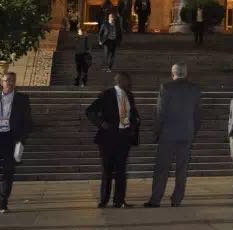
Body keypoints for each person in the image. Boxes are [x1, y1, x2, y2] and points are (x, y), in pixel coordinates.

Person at [145, 63, 201, 207]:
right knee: (182, 169)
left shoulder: (166, 87)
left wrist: (157, 131)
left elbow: (160, 113)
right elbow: (197, 114)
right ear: (186, 74)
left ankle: (156, 199)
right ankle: (177, 199)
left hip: (168, 134)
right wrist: (193, 132)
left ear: (172, 74)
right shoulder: (194, 89)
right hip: (186, 133)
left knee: (162, 168)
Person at [86, 70, 140, 208]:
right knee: (107, 170)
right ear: (119, 81)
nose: (127, 83)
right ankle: (104, 200)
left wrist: (134, 124)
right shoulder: (107, 94)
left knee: (121, 170)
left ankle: (119, 200)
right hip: (108, 138)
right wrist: (102, 123)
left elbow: (132, 114)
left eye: (127, 81)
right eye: (124, 80)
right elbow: (90, 111)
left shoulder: (129, 95)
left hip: (124, 138)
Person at [0, 71, 31, 213]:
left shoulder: (22, 99)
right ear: (1, 82)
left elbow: (28, 121)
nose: (9, 83)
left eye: (12, 80)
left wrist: (22, 139)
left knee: (8, 171)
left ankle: (3, 202)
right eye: (7, 80)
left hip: (11, 138)